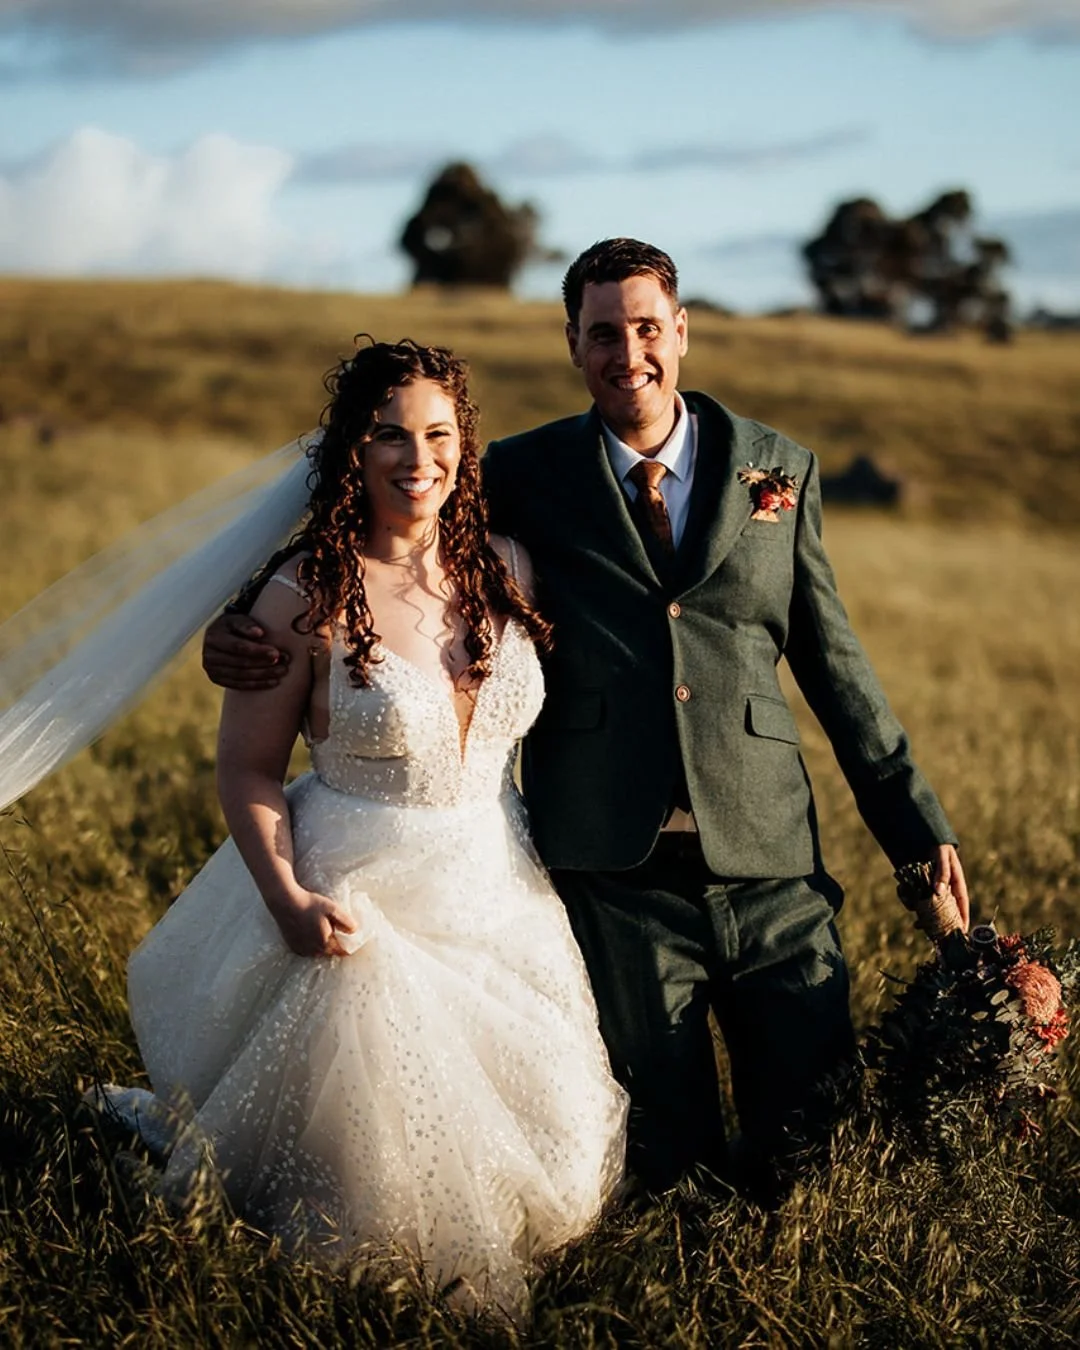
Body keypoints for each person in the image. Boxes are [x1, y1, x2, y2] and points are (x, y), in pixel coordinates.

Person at [204, 240, 969, 1198]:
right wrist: (240, 629)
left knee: (815, 1151)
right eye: (603, 332)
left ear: (682, 332)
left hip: (772, 859)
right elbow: (378, 538)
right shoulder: (524, 477)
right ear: (572, 342)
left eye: (648, 328)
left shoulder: (779, 469)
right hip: (615, 871)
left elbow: (837, 669)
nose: (629, 352)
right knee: (664, 1169)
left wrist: (916, 830)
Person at [102, 339, 627, 1309]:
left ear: (465, 447)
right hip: (360, 879)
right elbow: (249, 768)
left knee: (539, 1122)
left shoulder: (508, 566)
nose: (415, 457)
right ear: (353, 451)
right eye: (389, 435)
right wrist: (290, 897)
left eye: (436, 433)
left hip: (501, 878)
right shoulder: (305, 595)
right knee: (376, 1162)